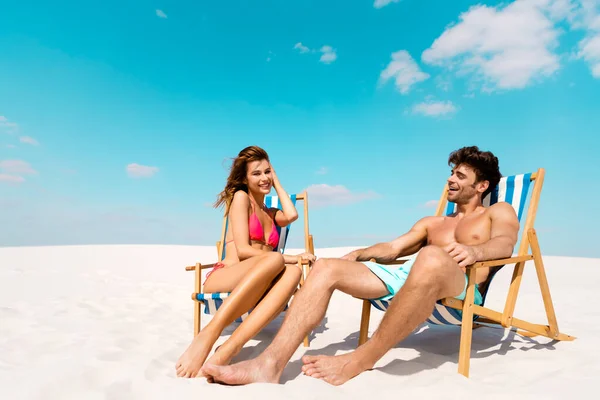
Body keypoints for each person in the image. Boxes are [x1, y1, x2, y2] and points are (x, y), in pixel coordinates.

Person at [200, 145, 520, 386]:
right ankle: (268, 364)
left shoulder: (498, 212)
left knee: (431, 256)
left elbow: (504, 244)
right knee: (326, 267)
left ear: (481, 186)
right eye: (451, 173)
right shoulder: (432, 222)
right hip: (405, 277)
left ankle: (360, 360)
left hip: (457, 282)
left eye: (459, 176)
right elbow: (393, 248)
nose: (450, 180)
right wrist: (360, 253)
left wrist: (475, 253)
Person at [175, 145, 316, 378]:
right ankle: (207, 335)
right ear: (244, 178)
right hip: (227, 275)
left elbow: (291, 215)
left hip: (259, 280)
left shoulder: (271, 213)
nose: (264, 178)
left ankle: (229, 348)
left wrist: (276, 180)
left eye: (267, 172)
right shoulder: (241, 199)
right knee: (277, 261)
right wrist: (291, 257)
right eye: (256, 173)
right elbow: (243, 250)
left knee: (293, 273)